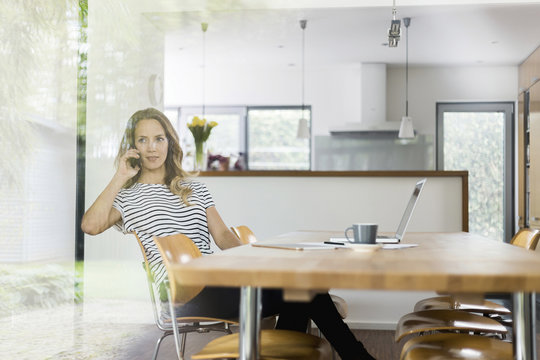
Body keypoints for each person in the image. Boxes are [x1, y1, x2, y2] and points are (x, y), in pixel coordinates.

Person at [81, 108, 375, 360]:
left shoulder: (192, 187)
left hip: (215, 282)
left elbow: (222, 236)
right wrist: (120, 176)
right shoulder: (128, 196)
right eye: (142, 140)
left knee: (302, 289)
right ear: (132, 147)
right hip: (183, 294)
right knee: (304, 291)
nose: (152, 147)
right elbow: (90, 226)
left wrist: (258, 263)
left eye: (159, 138)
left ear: (169, 142)